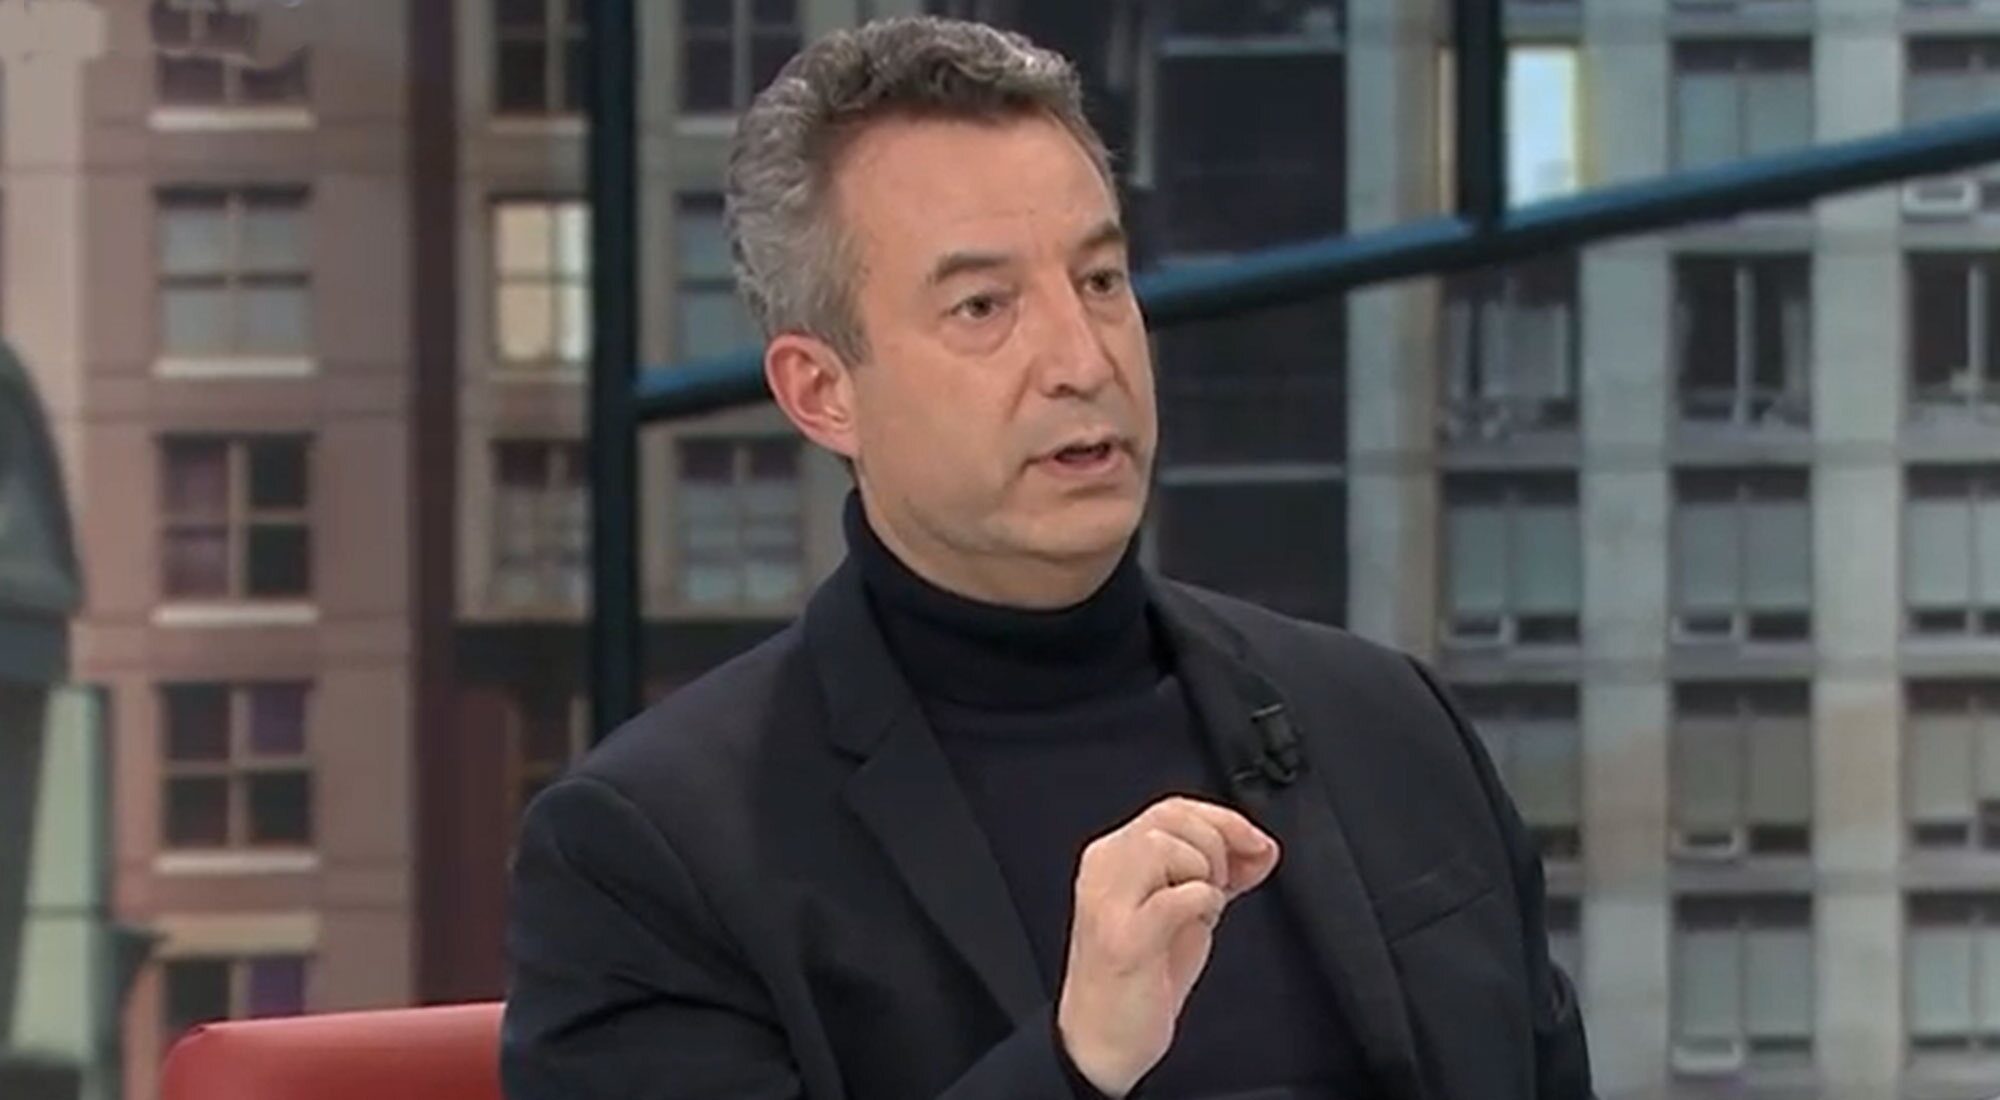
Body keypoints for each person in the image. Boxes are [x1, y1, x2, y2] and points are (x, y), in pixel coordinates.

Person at [501, 15, 1593, 1100]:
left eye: (1102, 281)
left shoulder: (1390, 727)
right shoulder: (652, 858)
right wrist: (1074, 1063)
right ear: (822, 391)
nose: (1081, 359)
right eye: (983, 306)